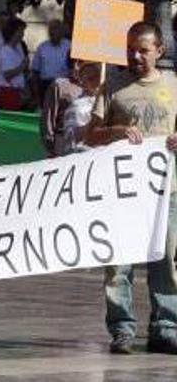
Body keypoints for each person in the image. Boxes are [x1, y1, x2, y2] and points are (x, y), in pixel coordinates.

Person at [85, 21, 177, 356]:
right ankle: (121, 329)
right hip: (122, 192)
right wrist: (118, 130)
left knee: (165, 261)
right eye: (130, 49)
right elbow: (89, 135)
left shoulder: (174, 84)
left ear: (159, 51)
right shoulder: (113, 86)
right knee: (119, 263)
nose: (135, 56)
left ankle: (165, 327)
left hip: (165, 192)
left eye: (143, 50)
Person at [39, 60, 87, 157]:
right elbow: (48, 117)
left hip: (86, 142)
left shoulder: (92, 86)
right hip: (63, 140)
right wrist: (50, 145)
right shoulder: (60, 86)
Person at [56, 62, 101, 155]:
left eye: (98, 77)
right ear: (82, 82)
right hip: (84, 155)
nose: (96, 82)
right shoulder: (77, 106)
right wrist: (92, 125)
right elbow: (70, 137)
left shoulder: (107, 99)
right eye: (91, 79)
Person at [31, 19, 71, 104]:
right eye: (51, 29)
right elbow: (35, 71)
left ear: (61, 31)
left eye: (56, 28)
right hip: (46, 85)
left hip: (64, 85)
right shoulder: (42, 47)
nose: (53, 31)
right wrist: (36, 94)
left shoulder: (69, 46)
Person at [0, 17, 28, 110]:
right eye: (20, 31)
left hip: (19, 91)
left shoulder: (19, 48)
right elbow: (7, 74)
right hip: (8, 91)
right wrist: (22, 67)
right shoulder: (4, 51)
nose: (22, 35)